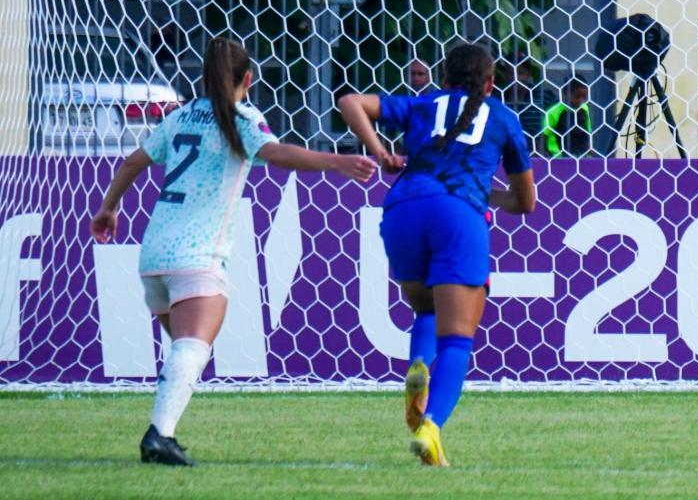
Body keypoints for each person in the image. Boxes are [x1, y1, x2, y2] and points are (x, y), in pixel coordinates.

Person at [87, 37, 377, 466]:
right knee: (192, 346)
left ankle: (164, 429)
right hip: (198, 254)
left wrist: (108, 209)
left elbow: (132, 162)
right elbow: (277, 153)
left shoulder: (179, 115)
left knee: (186, 351)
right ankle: (159, 436)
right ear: (248, 79)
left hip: (153, 256)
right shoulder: (241, 117)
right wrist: (335, 161)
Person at [337, 43, 537, 467]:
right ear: (490, 83)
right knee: (458, 340)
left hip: (403, 210)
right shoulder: (503, 117)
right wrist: (491, 194)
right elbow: (526, 203)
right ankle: (431, 427)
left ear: (444, 79)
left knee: (426, 307)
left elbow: (349, 102)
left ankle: (416, 368)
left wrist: (379, 151)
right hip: (457, 215)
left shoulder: (422, 103)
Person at [540, 80, 599, 157]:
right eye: (577, 96)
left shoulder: (584, 109)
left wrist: (589, 149)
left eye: (584, 97)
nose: (580, 101)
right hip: (560, 158)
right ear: (564, 93)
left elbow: (587, 131)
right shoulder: (553, 112)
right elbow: (543, 137)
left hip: (582, 157)